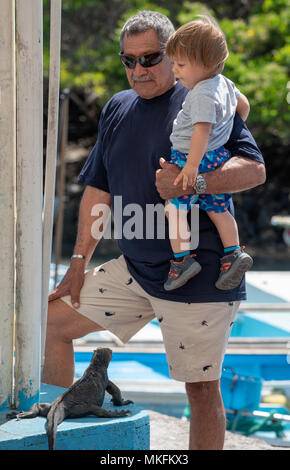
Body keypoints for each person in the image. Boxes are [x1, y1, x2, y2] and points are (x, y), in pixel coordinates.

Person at [43, 11, 266, 450]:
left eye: (150, 58)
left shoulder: (205, 97)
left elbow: (254, 170)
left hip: (198, 276)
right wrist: (76, 264)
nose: (139, 70)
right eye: (129, 61)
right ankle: (57, 443)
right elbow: (97, 190)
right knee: (50, 325)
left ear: (172, 54)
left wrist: (194, 180)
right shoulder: (118, 107)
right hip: (136, 269)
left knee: (200, 390)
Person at [163, 16, 253, 292]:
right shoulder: (224, 83)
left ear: (203, 64)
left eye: (180, 65)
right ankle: (233, 252)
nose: (175, 71)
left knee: (173, 208)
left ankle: (182, 261)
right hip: (216, 156)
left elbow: (201, 131)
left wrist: (190, 167)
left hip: (193, 158)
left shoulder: (202, 93)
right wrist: (226, 133)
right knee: (218, 208)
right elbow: (243, 106)